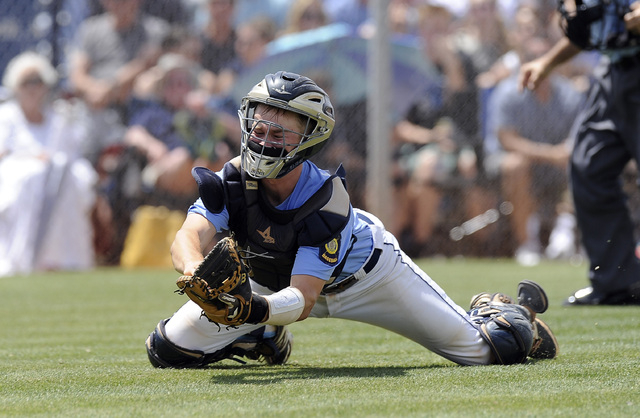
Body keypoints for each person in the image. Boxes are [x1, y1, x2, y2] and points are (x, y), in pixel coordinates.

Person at [145, 71, 558, 369]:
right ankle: (263, 337)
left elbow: (304, 300)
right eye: (259, 126)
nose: (263, 139)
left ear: (310, 138)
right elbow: (188, 234)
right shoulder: (233, 177)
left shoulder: (327, 201)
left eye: (280, 132)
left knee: (494, 349)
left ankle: (504, 313)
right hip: (271, 283)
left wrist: (248, 310)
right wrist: (197, 270)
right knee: (168, 349)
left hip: (366, 279)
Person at [518, 0, 640, 304]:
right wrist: (546, 62)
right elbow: (591, 31)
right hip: (613, 70)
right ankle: (617, 283)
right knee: (589, 166)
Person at [486, 36, 586, 266]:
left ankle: (565, 235)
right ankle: (527, 243)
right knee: (516, 165)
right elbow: (508, 141)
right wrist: (552, 154)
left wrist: (567, 151)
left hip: (558, 167)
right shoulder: (508, 92)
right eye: (532, 58)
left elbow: (580, 135)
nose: (538, 63)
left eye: (543, 58)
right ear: (523, 62)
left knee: (585, 158)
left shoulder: (569, 93)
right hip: (514, 167)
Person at [0, 51, 97, 277]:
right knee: (31, 176)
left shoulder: (58, 119)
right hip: (17, 176)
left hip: (55, 177)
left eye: (38, 81)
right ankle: (22, 258)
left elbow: (71, 154)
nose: (33, 88)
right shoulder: (6, 116)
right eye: (27, 82)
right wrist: (31, 158)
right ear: (16, 86)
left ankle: (66, 259)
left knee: (71, 178)